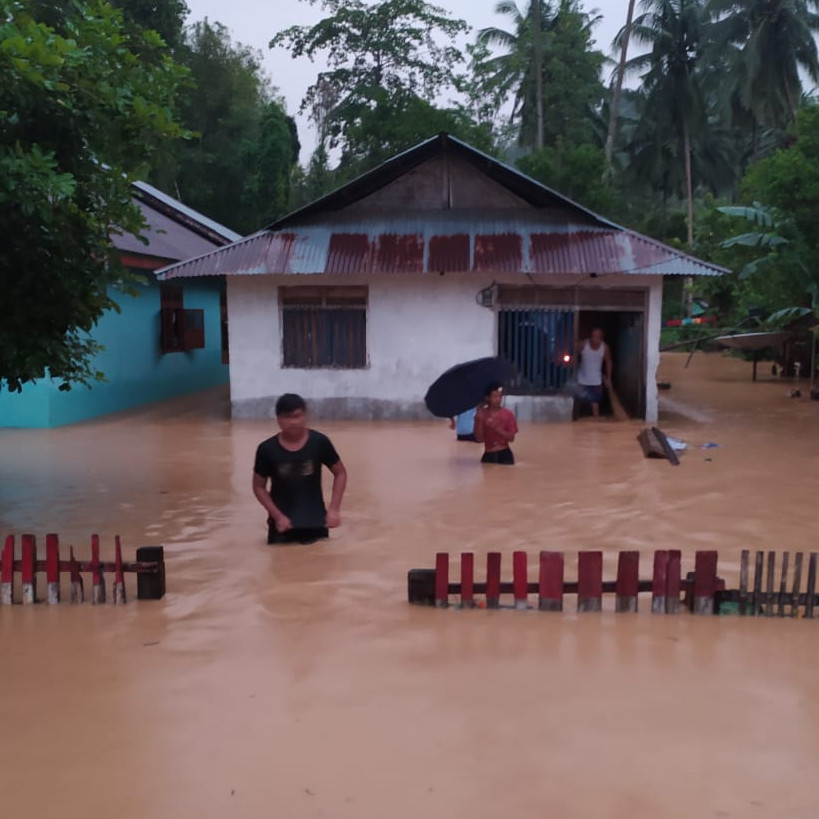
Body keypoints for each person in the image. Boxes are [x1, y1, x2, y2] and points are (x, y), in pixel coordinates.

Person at [252, 393, 347, 545]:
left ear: (305, 415)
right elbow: (258, 487)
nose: (292, 422)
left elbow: (340, 473)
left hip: (316, 524)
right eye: (286, 417)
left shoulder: (320, 443)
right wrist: (277, 516)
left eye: (297, 416)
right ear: (278, 419)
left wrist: (334, 509)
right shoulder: (266, 449)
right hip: (281, 527)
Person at [474, 382, 518, 465]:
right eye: (495, 396)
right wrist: (479, 420)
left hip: (504, 454)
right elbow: (479, 439)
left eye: (500, 396)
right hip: (488, 454)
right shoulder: (481, 415)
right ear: (487, 398)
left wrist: (496, 428)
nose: (498, 399)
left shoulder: (508, 414)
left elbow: (511, 438)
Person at [575, 328, 613, 418]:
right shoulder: (584, 344)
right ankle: (576, 421)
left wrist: (609, 378)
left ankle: (596, 422)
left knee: (595, 405)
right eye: (593, 336)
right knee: (578, 402)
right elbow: (573, 353)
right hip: (582, 378)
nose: (594, 339)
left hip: (596, 380)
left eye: (597, 337)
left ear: (601, 338)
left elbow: (608, 362)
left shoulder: (604, 348)